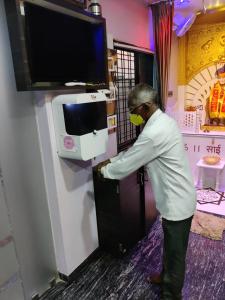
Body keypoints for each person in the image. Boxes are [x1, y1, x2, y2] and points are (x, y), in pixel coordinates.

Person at [98, 83, 197, 300]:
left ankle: (171, 294)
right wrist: (112, 159)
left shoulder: (154, 132)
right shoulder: (163, 121)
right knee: (171, 247)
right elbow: (137, 150)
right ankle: (165, 276)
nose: (134, 116)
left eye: (134, 112)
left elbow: (131, 161)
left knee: (176, 254)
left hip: (177, 202)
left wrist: (105, 169)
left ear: (146, 106)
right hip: (178, 198)